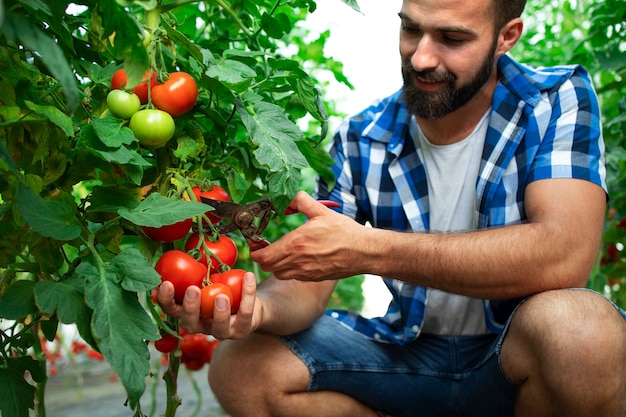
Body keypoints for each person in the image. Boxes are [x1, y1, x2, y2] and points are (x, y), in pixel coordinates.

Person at [158, 0, 626, 415]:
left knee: (583, 332)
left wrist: (369, 249)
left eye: (452, 38)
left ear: (507, 37)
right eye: (410, 29)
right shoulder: (360, 137)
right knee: (242, 367)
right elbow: (307, 284)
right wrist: (261, 310)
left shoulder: (555, 101)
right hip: (406, 357)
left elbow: (564, 255)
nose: (421, 57)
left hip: (511, 355)